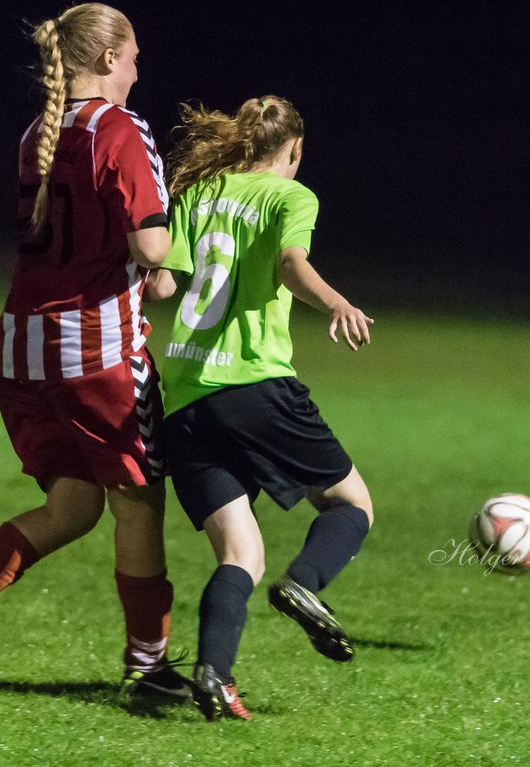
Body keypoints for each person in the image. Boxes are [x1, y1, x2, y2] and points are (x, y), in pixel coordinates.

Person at [0, 3, 189, 702]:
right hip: (99, 353)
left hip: (25, 351)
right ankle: (148, 668)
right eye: (136, 55)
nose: (140, 69)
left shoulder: (39, 132)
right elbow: (150, 246)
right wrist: (179, 256)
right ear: (111, 58)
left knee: (73, 506)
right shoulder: (121, 129)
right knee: (141, 505)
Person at [146, 95, 375, 721]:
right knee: (351, 504)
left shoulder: (201, 193)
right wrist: (336, 304)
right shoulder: (290, 198)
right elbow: (290, 262)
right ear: (293, 150)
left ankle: (214, 678)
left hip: (187, 399)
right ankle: (305, 585)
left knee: (240, 554)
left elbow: (163, 282)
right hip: (254, 389)